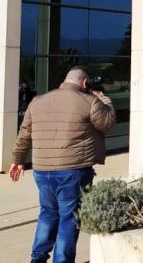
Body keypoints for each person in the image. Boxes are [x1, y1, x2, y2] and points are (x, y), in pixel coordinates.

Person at [9, 66, 116, 263]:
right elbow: (107, 122)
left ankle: (37, 258)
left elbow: (24, 134)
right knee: (69, 218)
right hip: (73, 170)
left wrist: (18, 160)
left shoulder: (37, 101)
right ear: (84, 83)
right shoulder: (89, 101)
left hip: (42, 170)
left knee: (47, 213)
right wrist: (104, 99)